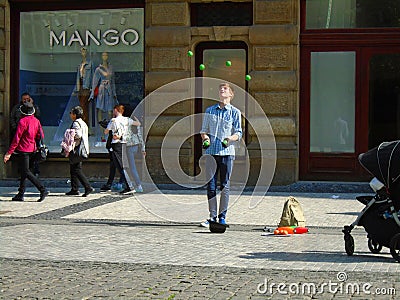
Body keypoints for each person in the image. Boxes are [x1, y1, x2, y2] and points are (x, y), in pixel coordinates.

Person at [199, 82, 242, 227]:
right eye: (220, 89)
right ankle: (212, 217)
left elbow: (239, 133)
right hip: (211, 153)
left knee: (224, 186)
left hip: (227, 153)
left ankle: (222, 217)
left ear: (231, 94)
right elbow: (203, 130)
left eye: (225, 89)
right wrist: (205, 138)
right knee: (211, 186)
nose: (222, 90)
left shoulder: (234, 112)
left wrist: (230, 139)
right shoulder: (210, 110)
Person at [3, 102, 49, 202]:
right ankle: (21, 193)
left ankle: (42, 189)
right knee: (25, 171)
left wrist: (9, 152)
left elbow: (17, 138)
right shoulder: (36, 121)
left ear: (22, 112)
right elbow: (40, 135)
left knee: (26, 171)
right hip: (33, 149)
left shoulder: (22, 121)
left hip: (23, 149)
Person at [104, 104, 140, 195]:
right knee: (122, 165)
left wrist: (108, 127)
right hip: (124, 144)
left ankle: (129, 186)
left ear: (116, 110)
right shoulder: (127, 120)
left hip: (116, 145)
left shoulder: (113, 120)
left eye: (113, 110)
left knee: (120, 166)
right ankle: (128, 186)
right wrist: (136, 119)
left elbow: (106, 131)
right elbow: (138, 124)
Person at [66, 106, 95, 197]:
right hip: (82, 148)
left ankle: (87, 187)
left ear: (75, 115)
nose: (70, 115)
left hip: (77, 148)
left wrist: (70, 136)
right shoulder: (83, 123)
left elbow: (78, 135)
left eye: (71, 113)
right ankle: (74, 188)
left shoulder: (76, 123)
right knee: (73, 168)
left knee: (76, 169)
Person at [10, 92, 41, 176]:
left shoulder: (33, 107)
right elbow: (12, 118)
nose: (26, 101)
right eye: (24, 99)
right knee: (22, 156)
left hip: (31, 136)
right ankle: (22, 174)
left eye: (27, 99)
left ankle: (34, 172)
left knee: (33, 155)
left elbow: (38, 116)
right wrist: (15, 128)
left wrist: (32, 104)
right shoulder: (17, 108)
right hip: (20, 134)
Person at [89, 51, 118, 138]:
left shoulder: (111, 68)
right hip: (102, 90)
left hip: (109, 89)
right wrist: (92, 93)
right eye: (103, 55)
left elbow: (113, 82)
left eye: (106, 55)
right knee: (100, 110)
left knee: (110, 111)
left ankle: (109, 131)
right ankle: (101, 132)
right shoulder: (98, 69)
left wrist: (114, 93)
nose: (105, 57)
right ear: (101, 57)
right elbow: (94, 81)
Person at [125, 116, 146, 193]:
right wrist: (143, 149)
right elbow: (140, 136)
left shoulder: (126, 123)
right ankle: (122, 183)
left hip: (129, 146)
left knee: (131, 167)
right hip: (136, 147)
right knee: (128, 166)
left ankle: (139, 185)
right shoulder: (137, 124)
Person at [75, 47, 93, 125]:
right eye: (82, 51)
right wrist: (77, 88)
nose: (83, 53)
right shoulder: (80, 64)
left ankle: (85, 124)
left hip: (86, 87)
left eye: (84, 51)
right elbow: (78, 77)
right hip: (81, 86)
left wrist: (92, 87)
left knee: (83, 105)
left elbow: (92, 76)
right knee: (83, 106)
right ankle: (84, 124)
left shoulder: (90, 63)